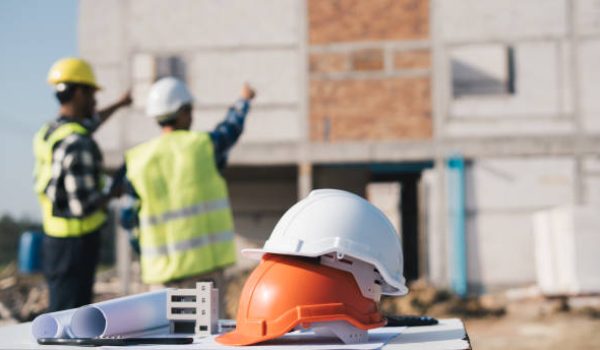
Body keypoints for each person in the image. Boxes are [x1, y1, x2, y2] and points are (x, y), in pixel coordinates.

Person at [119, 77, 255, 312]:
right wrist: (243, 101)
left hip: (161, 277)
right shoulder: (202, 146)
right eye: (189, 109)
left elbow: (128, 219)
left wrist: (149, 256)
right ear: (181, 112)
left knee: (166, 339)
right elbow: (230, 130)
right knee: (205, 340)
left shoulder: (137, 160)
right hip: (204, 273)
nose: (192, 116)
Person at [33, 57, 132, 312]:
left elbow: (91, 121)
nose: (95, 101)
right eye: (91, 93)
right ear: (78, 92)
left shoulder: (50, 131)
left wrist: (120, 105)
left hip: (56, 240)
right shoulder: (78, 143)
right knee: (70, 320)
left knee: (61, 311)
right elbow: (83, 205)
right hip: (75, 246)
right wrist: (113, 192)